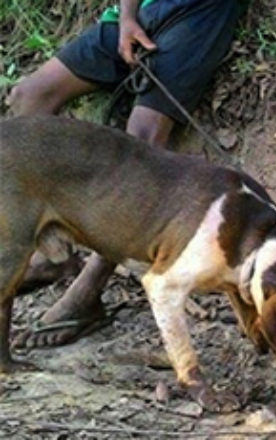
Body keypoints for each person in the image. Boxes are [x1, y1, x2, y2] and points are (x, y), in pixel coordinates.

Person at [6, 0, 241, 348]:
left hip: (198, 13)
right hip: (143, 12)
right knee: (30, 95)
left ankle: (87, 292)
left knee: (141, 141)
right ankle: (49, 249)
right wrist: (128, 18)